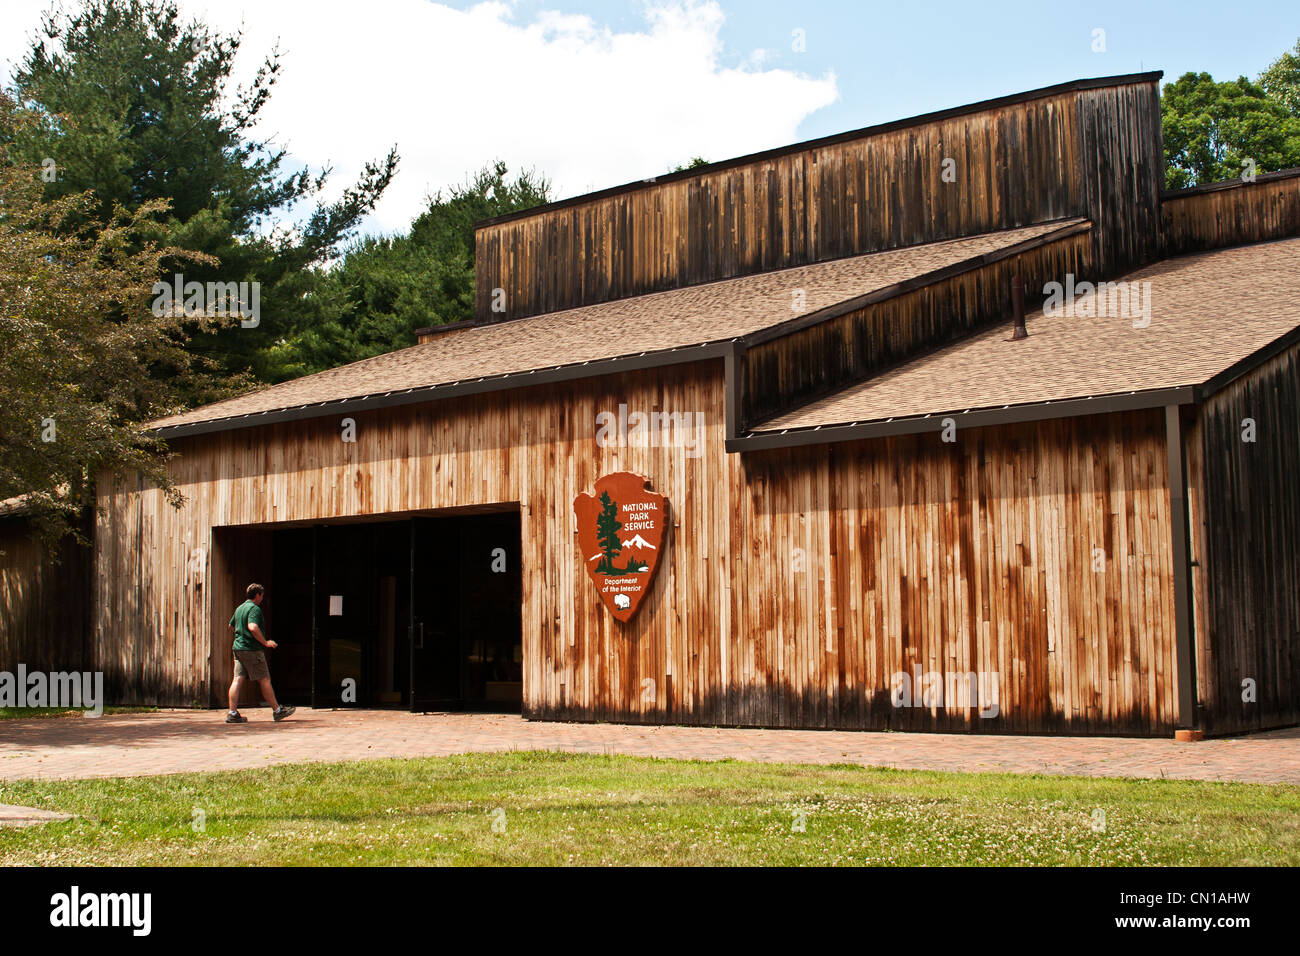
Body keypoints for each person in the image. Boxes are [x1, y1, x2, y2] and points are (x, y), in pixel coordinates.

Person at [226, 583, 295, 723]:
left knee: (237, 679)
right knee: (264, 679)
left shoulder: (240, 608)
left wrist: (241, 636)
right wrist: (265, 642)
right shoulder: (254, 609)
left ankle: (232, 712)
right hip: (252, 649)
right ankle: (277, 710)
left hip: (238, 648)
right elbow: (252, 627)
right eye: (262, 595)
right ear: (257, 595)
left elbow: (231, 625)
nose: (262, 598)